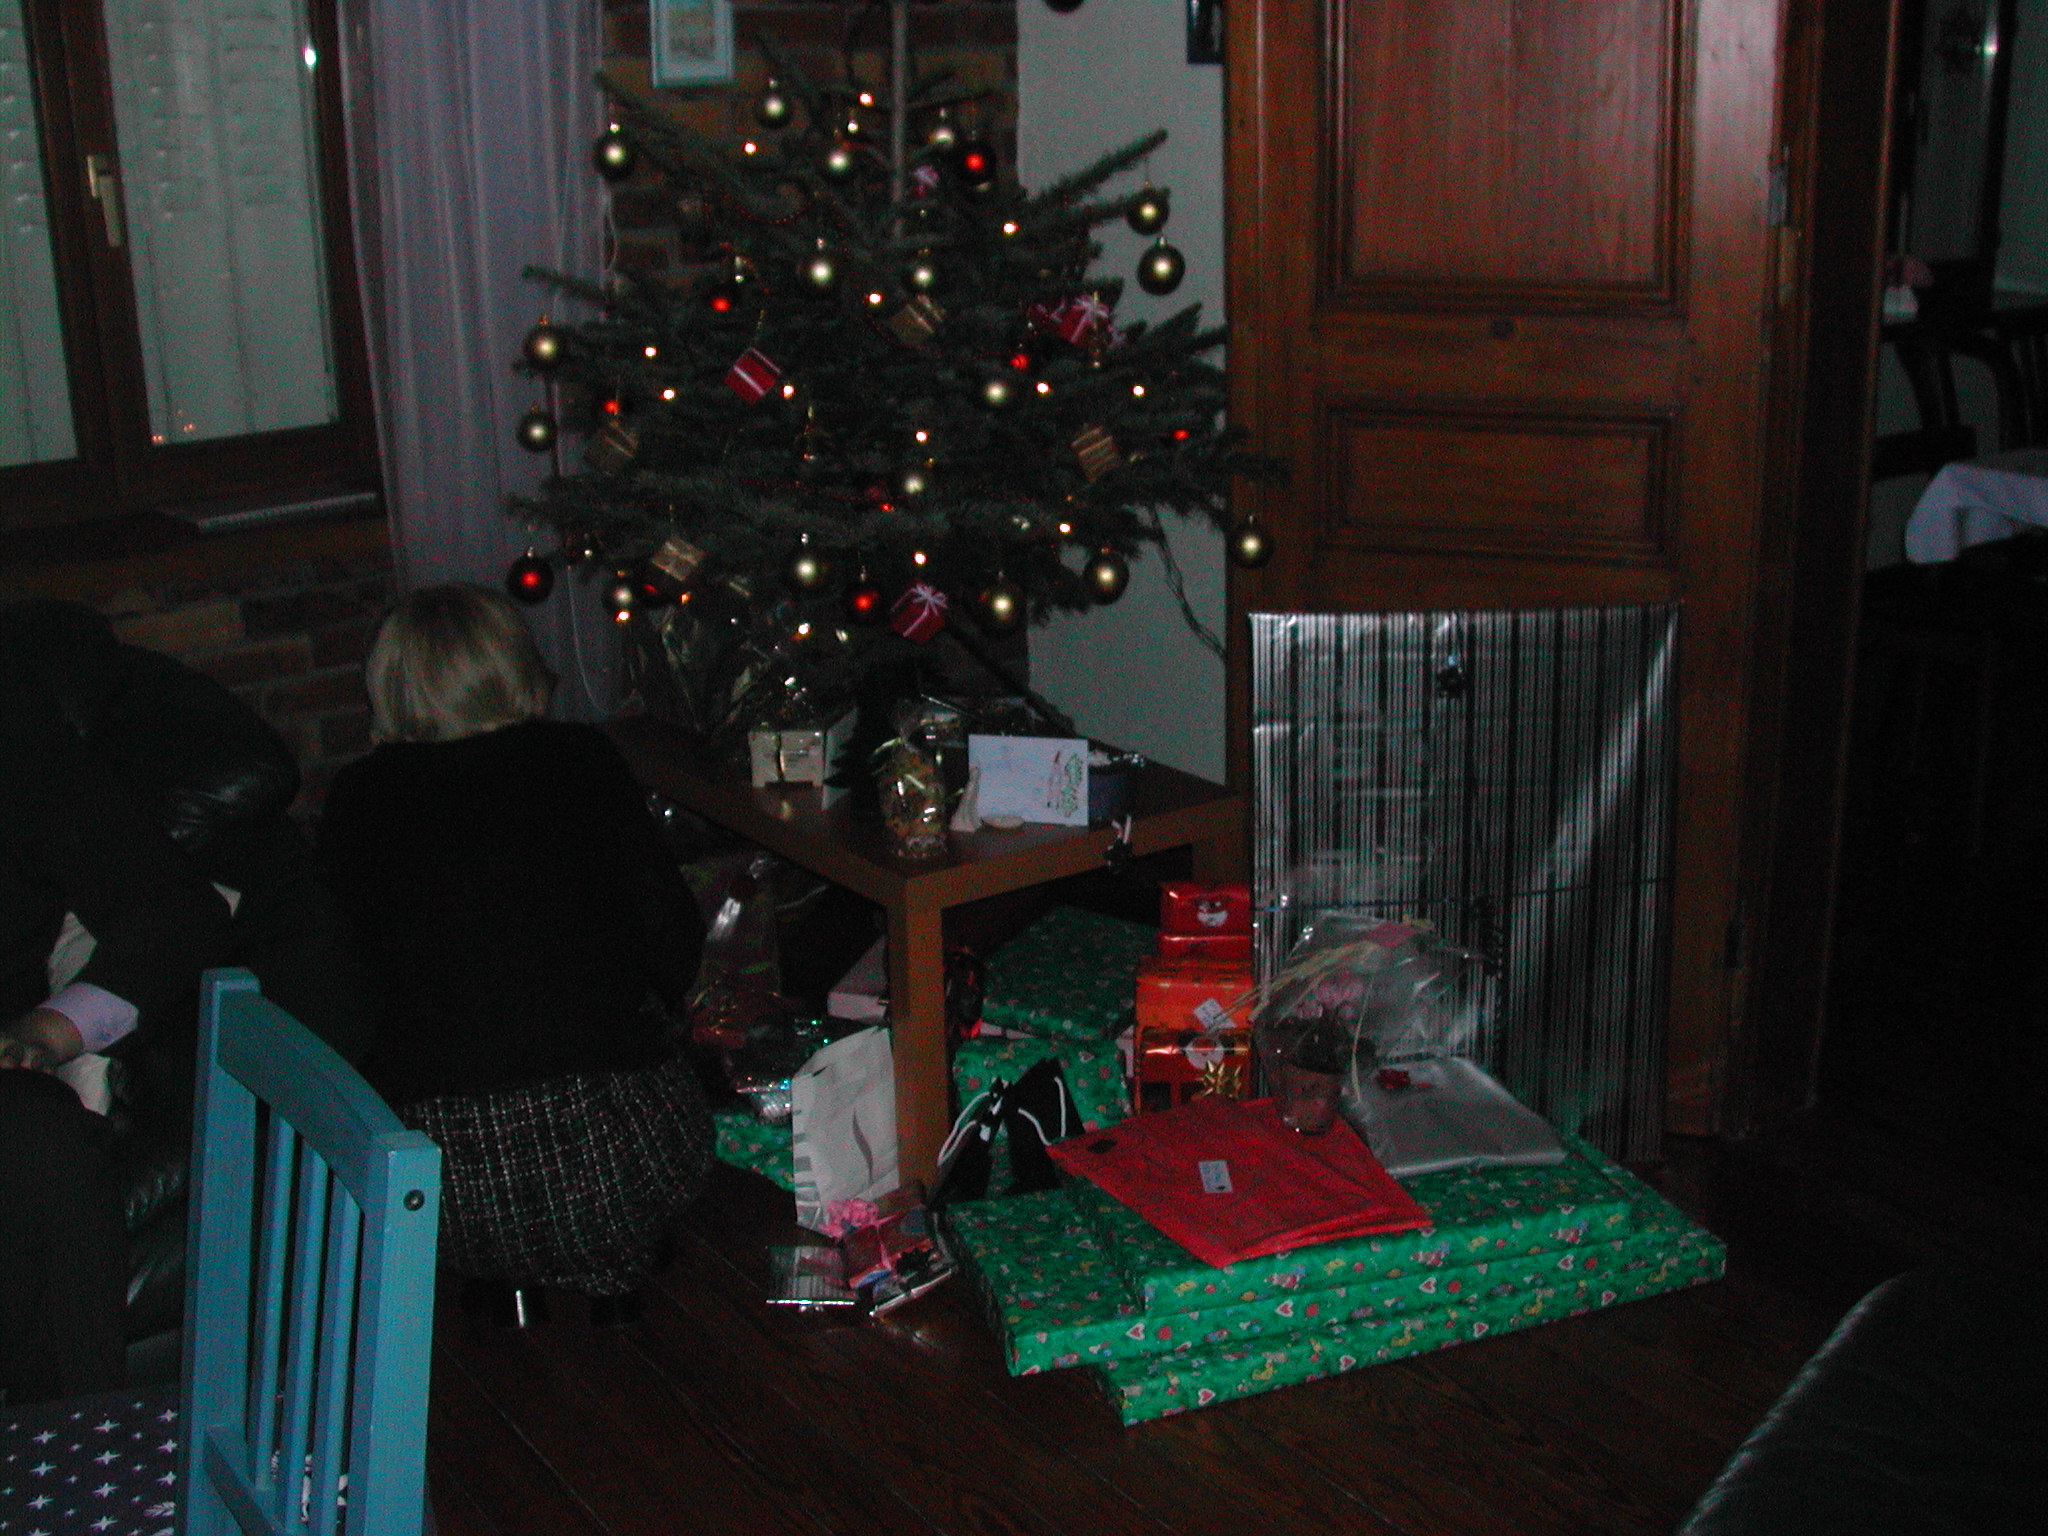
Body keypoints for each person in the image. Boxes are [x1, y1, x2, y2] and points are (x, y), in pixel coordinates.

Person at [0, 598, 377, 1403]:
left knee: (44, 1143)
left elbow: (172, 909)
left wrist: (52, 1030)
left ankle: (76, 1450)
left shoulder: (16, 735)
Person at [317, 583, 712, 1316]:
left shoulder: (354, 799)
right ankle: (605, 1263)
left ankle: (501, 1272)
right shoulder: (579, 760)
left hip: (429, 1191)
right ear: (517, 668)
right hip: (611, 1161)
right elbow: (672, 944)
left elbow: (343, 990)